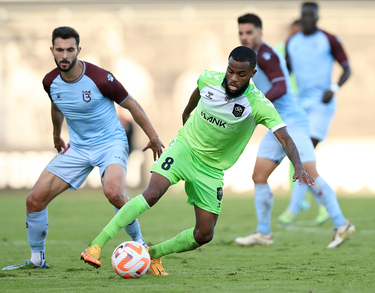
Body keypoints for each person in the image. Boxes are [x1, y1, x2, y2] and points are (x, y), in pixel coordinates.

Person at [80, 46, 315, 275]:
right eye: (230, 71)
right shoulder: (208, 79)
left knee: (204, 234)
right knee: (151, 193)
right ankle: (95, 246)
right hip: (184, 149)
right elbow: (198, 91)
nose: (233, 78)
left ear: (252, 75)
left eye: (241, 74)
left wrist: (298, 165)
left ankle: (152, 254)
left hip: (211, 169)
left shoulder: (258, 105)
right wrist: (186, 112)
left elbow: (284, 137)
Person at [2, 26, 164, 271]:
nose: (64, 55)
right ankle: (37, 260)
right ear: (52, 51)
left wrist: (152, 136)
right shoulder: (50, 81)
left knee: (114, 193)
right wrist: (56, 134)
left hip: (111, 142)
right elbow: (56, 105)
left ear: (79, 50)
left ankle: (140, 245)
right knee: (34, 201)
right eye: (59, 50)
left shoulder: (100, 78)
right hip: (78, 147)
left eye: (70, 50)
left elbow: (131, 104)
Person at [234, 13, 354, 248]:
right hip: (276, 123)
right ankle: (264, 232)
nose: (244, 36)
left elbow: (280, 85)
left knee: (309, 174)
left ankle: (342, 224)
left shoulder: (267, 55)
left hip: (293, 122)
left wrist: (257, 105)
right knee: (259, 176)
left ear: (260, 33)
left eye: (249, 32)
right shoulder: (247, 57)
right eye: (241, 33)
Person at [278, 1, 352, 226]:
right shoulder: (293, 42)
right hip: (300, 105)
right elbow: (285, 72)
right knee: (301, 158)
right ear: (301, 16)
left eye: (311, 15)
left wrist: (334, 88)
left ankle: (294, 208)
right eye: (304, 15)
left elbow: (347, 68)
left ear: (317, 17)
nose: (307, 18)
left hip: (322, 105)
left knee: (302, 153)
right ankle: (320, 208)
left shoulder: (329, 39)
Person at [277, 18, 330, 225]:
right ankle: (314, 204)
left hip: (306, 111)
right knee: (298, 159)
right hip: (290, 109)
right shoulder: (281, 50)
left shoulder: (310, 54)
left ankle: (295, 207)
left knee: (301, 158)